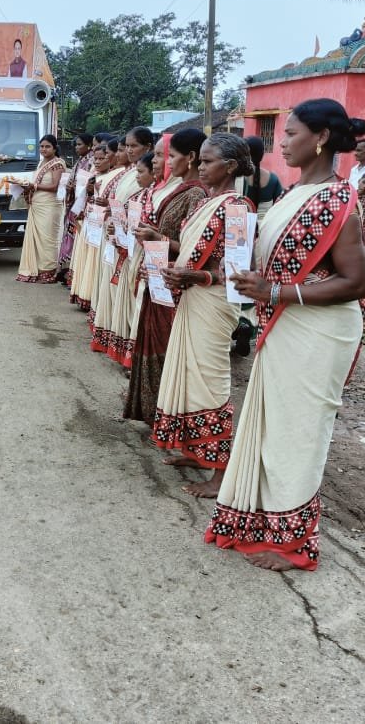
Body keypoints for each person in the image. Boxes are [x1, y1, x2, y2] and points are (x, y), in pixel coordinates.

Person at [207, 98, 365, 570]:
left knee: (300, 431)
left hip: (318, 330)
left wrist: (276, 292)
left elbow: (355, 283)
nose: (282, 142)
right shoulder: (293, 194)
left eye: (292, 133)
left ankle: (294, 544)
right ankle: (262, 520)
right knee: (277, 426)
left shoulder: (339, 200)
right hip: (288, 324)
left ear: (320, 138)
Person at [150, 133, 252, 498]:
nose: (202, 167)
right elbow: (191, 251)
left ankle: (221, 472)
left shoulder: (238, 208)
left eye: (209, 162)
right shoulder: (204, 204)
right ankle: (195, 451)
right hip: (193, 298)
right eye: (202, 161)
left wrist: (195, 276)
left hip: (214, 303)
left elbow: (237, 274)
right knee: (190, 376)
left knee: (211, 381)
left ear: (231, 166)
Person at [124, 130, 207, 422]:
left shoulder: (196, 193)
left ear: (191, 158)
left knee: (165, 345)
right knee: (154, 340)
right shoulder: (179, 190)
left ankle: (164, 410)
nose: (165, 162)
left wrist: (156, 236)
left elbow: (195, 247)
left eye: (169, 155)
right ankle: (153, 407)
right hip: (159, 275)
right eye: (163, 155)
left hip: (174, 282)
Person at [92, 127, 150, 360]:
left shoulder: (145, 175)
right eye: (126, 146)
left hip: (132, 242)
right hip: (116, 237)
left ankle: (128, 344)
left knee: (128, 295)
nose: (127, 150)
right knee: (116, 291)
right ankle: (115, 338)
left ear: (148, 147)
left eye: (133, 146)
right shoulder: (128, 173)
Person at [68, 140, 114, 311]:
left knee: (95, 259)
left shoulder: (113, 177)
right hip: (89, 219)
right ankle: (82, 292)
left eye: (102, 158)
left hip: (102, 223)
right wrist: (87, 191)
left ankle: (90, 296)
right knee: (86, 256)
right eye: (95, 158)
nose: (97, 162)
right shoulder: (94, 175)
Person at [16, 135, 67, 282]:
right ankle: (37, 270)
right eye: (41, 147)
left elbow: (55, 186)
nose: (43, 149)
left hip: (50, 206)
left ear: (54, 148)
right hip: (37, 205)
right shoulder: (41, 163)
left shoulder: (58, 163)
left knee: (48, 239)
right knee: (37, 239)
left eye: (47, 146)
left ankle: (49, 272)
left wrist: (34, 186)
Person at [56, 134, 95, 283]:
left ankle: (72, 273)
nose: (77, 148)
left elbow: (88, 184)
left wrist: (76, 187)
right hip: (74, 203)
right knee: (70, 236)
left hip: (82, 205)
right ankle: (67, 270)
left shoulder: (91, 161)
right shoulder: (80, 161)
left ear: (89, 145)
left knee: (76, 238)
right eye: (76, 145)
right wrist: (69, 187)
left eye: (80, 144)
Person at [242, 136, 284, 216]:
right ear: (261, 155)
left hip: (239, 226)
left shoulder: (236, 179)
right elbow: (280, 207)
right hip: (265, 226)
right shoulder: (273, 179)